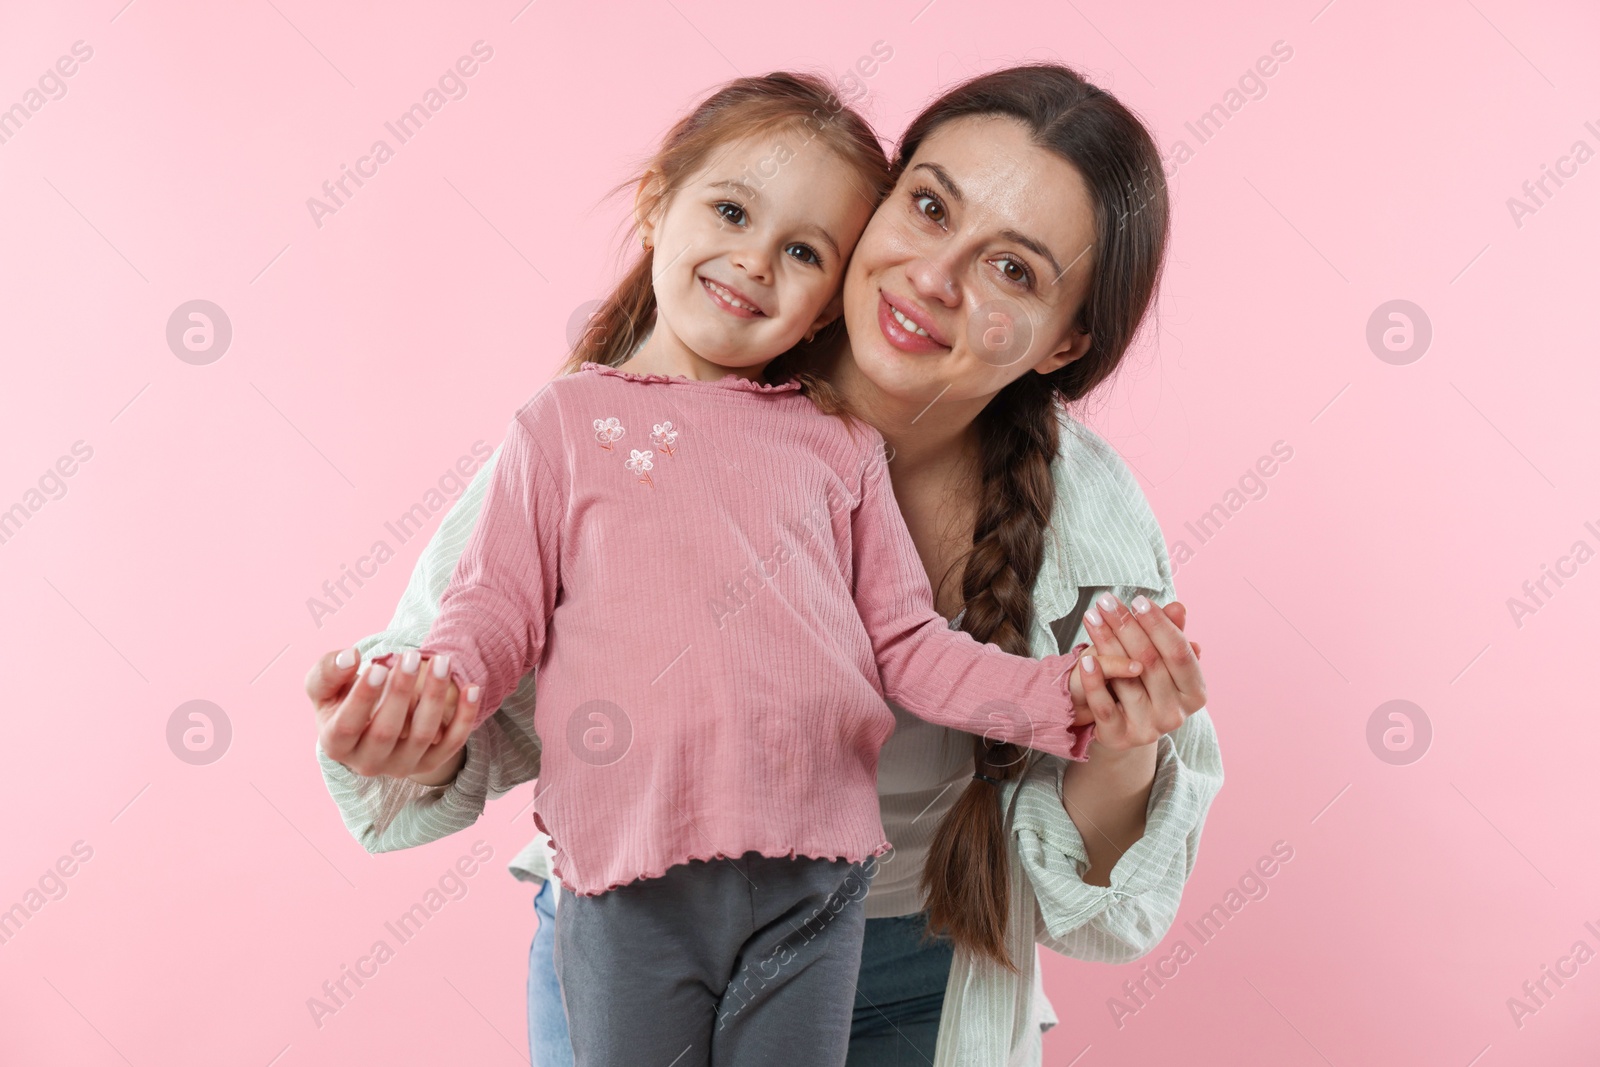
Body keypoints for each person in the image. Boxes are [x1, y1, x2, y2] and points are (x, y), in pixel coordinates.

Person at [311, 63, 1223, 1067]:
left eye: (1013, 270)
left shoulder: (1078, 508)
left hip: (918, 966)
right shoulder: (622, 417)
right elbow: (475, 627)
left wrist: (1116, 727)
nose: (934, 276)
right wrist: (415, 714)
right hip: (633, 908)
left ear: (1067, 341)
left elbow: (1096, 889)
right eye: (926, 207)